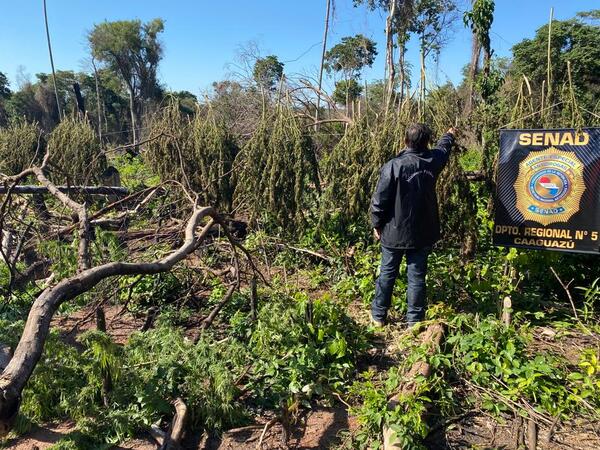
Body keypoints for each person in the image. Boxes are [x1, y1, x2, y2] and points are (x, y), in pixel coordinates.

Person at [370, 123, 457, 327]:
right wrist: (450, 135)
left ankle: (378, 316)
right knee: (416, 276)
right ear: (427, 142)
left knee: (387, 273)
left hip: (394, 232)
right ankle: (414, 322)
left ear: (405, 141)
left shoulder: (394, 165)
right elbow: (443, 149)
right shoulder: (432, 161)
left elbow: (380, 199)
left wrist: (377, 223)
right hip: (422, 232)